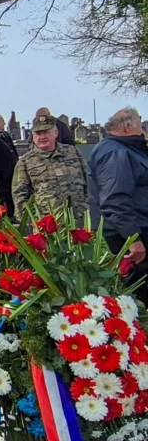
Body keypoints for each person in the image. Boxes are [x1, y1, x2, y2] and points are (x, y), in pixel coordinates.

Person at [89, 107, 148, 304]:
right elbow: (115, 199)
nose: (143, 131)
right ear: (127, 126)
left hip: (136, 227)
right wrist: (133, 239)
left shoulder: (125, 149)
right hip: (126, 234)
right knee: (139, 296)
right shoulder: (115, 152)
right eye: (141, 126)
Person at [13, 114, 88, 221]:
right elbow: (19, 196)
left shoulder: (73, 153)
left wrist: (88, 208)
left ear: (56, 133)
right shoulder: (26, 161)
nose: (42, 137)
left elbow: (90, 182)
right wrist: (32, 220)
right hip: (48, 226)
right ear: (33, 136)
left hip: (80, 221)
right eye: (38, 133)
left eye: (46, 132)